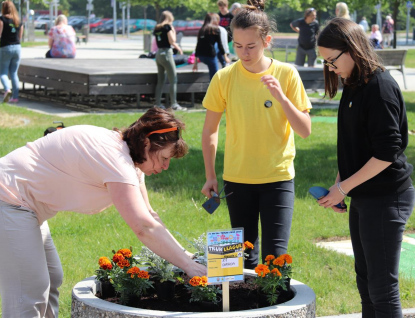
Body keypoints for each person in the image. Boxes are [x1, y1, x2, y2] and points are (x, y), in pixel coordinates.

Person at [0, 107, 206, 317]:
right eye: (164, 158)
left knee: (52, 278)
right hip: (8, 198)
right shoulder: (115, 158)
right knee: (29, 290)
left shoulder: (131, 162)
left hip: (25, 206)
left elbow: (150, 217)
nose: (166, 166)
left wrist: (188, 257)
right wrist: (188, 266)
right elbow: (143, 227)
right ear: (146, 143)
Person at [201, 0, 312, 269]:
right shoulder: (224, 77)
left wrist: (282, 98)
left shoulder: (287, 74)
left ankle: (275, 311)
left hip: (278, 177)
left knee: (276, 261)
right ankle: (241, 311)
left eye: (251, 46)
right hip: (237, 178)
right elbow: (210, 131)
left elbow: (305, 130)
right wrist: (210, 175)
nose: (244, 53)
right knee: (239, 261)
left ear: (267, 41)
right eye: (237, 46)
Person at [317, 17, 414, 318]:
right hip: (364, 197)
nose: (330, 69)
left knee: (382, 290)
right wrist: (339, 186)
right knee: (367, 284)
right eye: (326, 63)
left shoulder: (380, 87)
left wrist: (344, 187)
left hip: (387, 197)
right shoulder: (354, 84)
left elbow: (386, 152)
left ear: (351, 49)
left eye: (332, 61)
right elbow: (352, 145)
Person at [153, 11, 186, 111]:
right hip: (167, 54)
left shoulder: (157, 28)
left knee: (161, 81)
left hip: (158, 54)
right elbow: (172, 41)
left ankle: (157, 103)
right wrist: (173, 31)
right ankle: (174, 104)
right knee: (173, 79)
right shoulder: (167, 27)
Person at [193, 13, 230, 80]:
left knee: (213, 45)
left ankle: (224, 64)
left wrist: (195, 63)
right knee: (214, 77)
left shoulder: (202, 30)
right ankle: (224, 63)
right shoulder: (215, 29)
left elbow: (198, 46)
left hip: (201, 56)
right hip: (210, 56)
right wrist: (225, 57)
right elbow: (220, 45)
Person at [0, 0, 24, 104]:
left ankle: (7, 89)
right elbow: (20, 37)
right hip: (17, 48)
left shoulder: (1, 20)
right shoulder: (18, 21)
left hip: (5, 47)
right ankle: (15, 97)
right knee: (14, 73)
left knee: (3, 73)